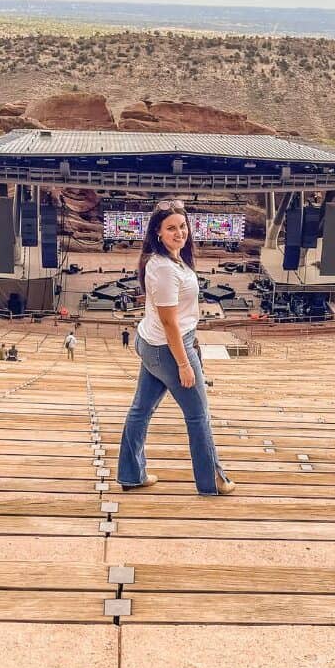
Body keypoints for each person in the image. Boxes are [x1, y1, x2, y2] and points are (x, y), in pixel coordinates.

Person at [117, 199, 233, 496]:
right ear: (158, 232)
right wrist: (183, 364)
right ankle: (212, 482)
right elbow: (170, 323)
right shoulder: (165, 269)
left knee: (140, 410)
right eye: (171, 228)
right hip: (169, 348)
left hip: (151, 343)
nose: (179, 232)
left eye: (182, 226)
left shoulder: (169, 260)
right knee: (198, 415)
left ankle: (131, 475)